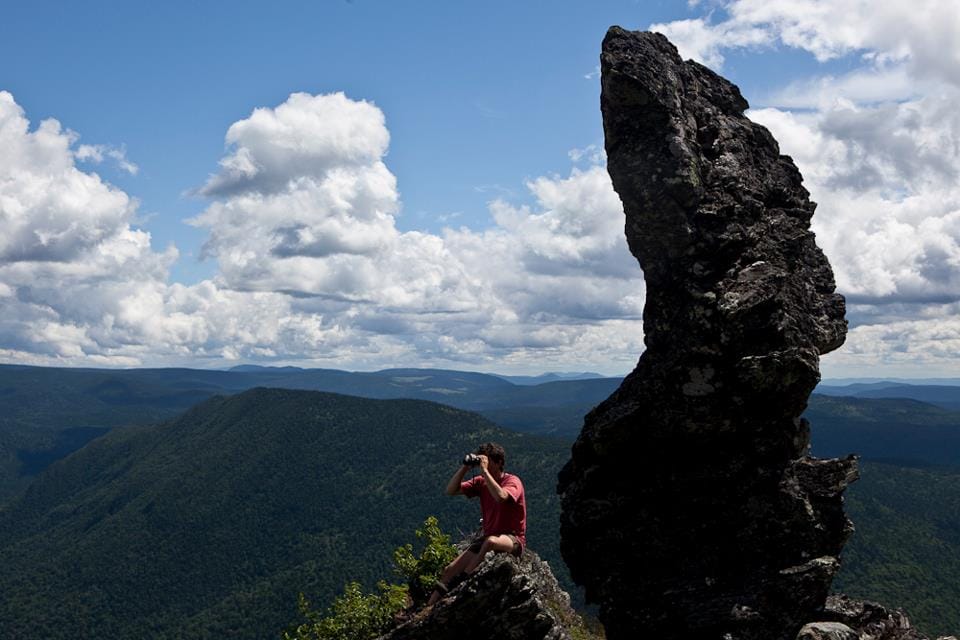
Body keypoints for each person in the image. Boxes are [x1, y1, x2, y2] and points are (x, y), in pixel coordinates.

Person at [427, 442, 526, 606]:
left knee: (491, 542)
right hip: (489, 536)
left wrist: (485, 472)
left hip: (513, 539)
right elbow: (451, 490)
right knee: (448, 570)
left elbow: (501, 497)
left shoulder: (512, 481)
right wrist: (465, 467)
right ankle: (428, 607)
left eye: (487, 461)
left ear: (500, 462)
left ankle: (464, 580)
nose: (483, 465)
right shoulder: (481, 482)